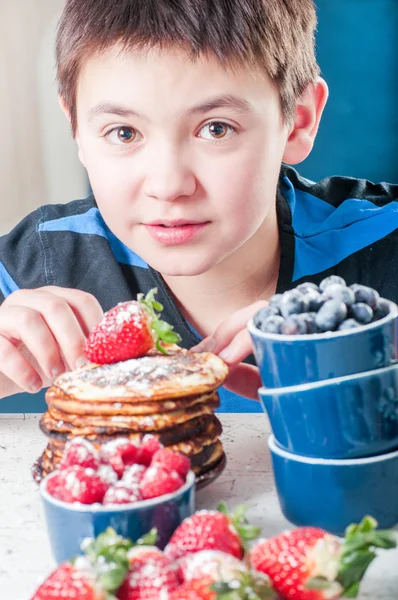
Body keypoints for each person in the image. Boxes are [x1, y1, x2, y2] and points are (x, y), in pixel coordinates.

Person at [0, 0, 397, 411]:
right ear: (77, 129)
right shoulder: (39, 263)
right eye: (123, 133)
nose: (169, 185)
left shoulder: (386, 241)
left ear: (298, 120)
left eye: (216, 128)